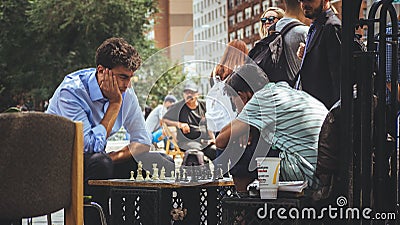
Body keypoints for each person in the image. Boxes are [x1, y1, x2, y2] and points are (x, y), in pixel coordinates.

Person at [46, 37, 169, 225]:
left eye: (130, 78)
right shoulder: (71, 92)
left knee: (160, 162)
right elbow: (88, 147)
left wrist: (113, 157)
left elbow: (143, 142)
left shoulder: (126, 92)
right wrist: (114, 105)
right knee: (100, 163)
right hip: (61, 166)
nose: (127, 85)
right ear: (101, 71)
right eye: (122, 77)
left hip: (97, 162)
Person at [216, 64, 328, 192]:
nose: (235, 109)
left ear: (242, 96)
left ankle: (242, 207)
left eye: (233, 102)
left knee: (238, 150)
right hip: (322, 173)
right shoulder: (284, 91)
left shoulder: (262, 98)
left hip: (305, 173)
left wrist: (243, 126)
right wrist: (248, 127)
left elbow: (221, 139)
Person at [295, 0, 341, 109]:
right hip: (311, 108)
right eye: (302, 0)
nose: (305, 4)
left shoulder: (332, 27)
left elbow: (339, 79)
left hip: (323, 111)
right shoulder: (316, 26)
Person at [206, 40, 248, 156]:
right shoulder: (242, 71)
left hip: (217, 118)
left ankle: (220, 172)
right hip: (233, 117)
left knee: (220, 153)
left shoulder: (216, 71)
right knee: (236, 154)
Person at [162, 81, 216, 160]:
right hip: (186, 141)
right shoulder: (178, 107)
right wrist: (179, 124)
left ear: (197, 94)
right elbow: (164, 120)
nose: (189, 95)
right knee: (197, 153)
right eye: (186, 93)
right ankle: (200, 170)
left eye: (191, 92)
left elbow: (211, 122)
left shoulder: (204, 105)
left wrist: (213, 139)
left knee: (216, 151)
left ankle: (220, 171)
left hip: (205, 141)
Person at [273, 0, 309, 85]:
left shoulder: (272, 30)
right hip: (301, 94)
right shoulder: (304, 32)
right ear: (301, 4)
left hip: (279, 94)